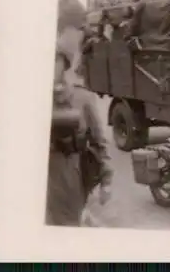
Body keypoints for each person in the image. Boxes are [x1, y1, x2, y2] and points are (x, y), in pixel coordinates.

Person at [46, 43, 113, 226]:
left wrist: (106, 181)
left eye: (53, 60)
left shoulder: (81, 98)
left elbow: (100, 142)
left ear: (64, 64)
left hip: (69, 175)